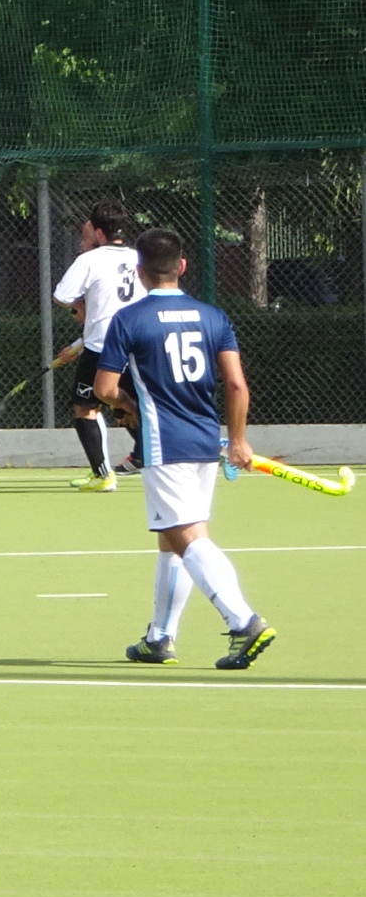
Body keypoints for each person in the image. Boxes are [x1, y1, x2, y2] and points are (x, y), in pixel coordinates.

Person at [96, 227, 275, 670]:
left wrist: (129, 406)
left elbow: (104, 388)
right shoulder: (213, 316)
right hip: (204, 441)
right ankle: (160, 637)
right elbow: (236, 384)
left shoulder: (129, 319)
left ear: (139, 271)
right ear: (181, 266)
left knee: (187, 537)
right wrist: (238, 440)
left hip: (165, 442)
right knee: (171, 539)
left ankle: (244, 621)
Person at [53, 200, 144, 491]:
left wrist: (80, 310)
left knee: (86, 407)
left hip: (103, 344)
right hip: (139, 343)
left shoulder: (89, 260)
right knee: (127, 405)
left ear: (99, 232)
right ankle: (152, 455)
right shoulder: (139, 256)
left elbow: (62, 296)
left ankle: (103, 475)